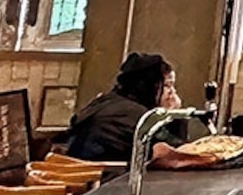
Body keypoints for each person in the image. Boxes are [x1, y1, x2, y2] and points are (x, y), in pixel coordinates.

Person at [64, 51, 196, 164]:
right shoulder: (132, 114)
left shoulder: (109, 102)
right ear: (150, 86)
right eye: (167, 85)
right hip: (105, 180)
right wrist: (174, 115)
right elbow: (176, 152)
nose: (172, 93)